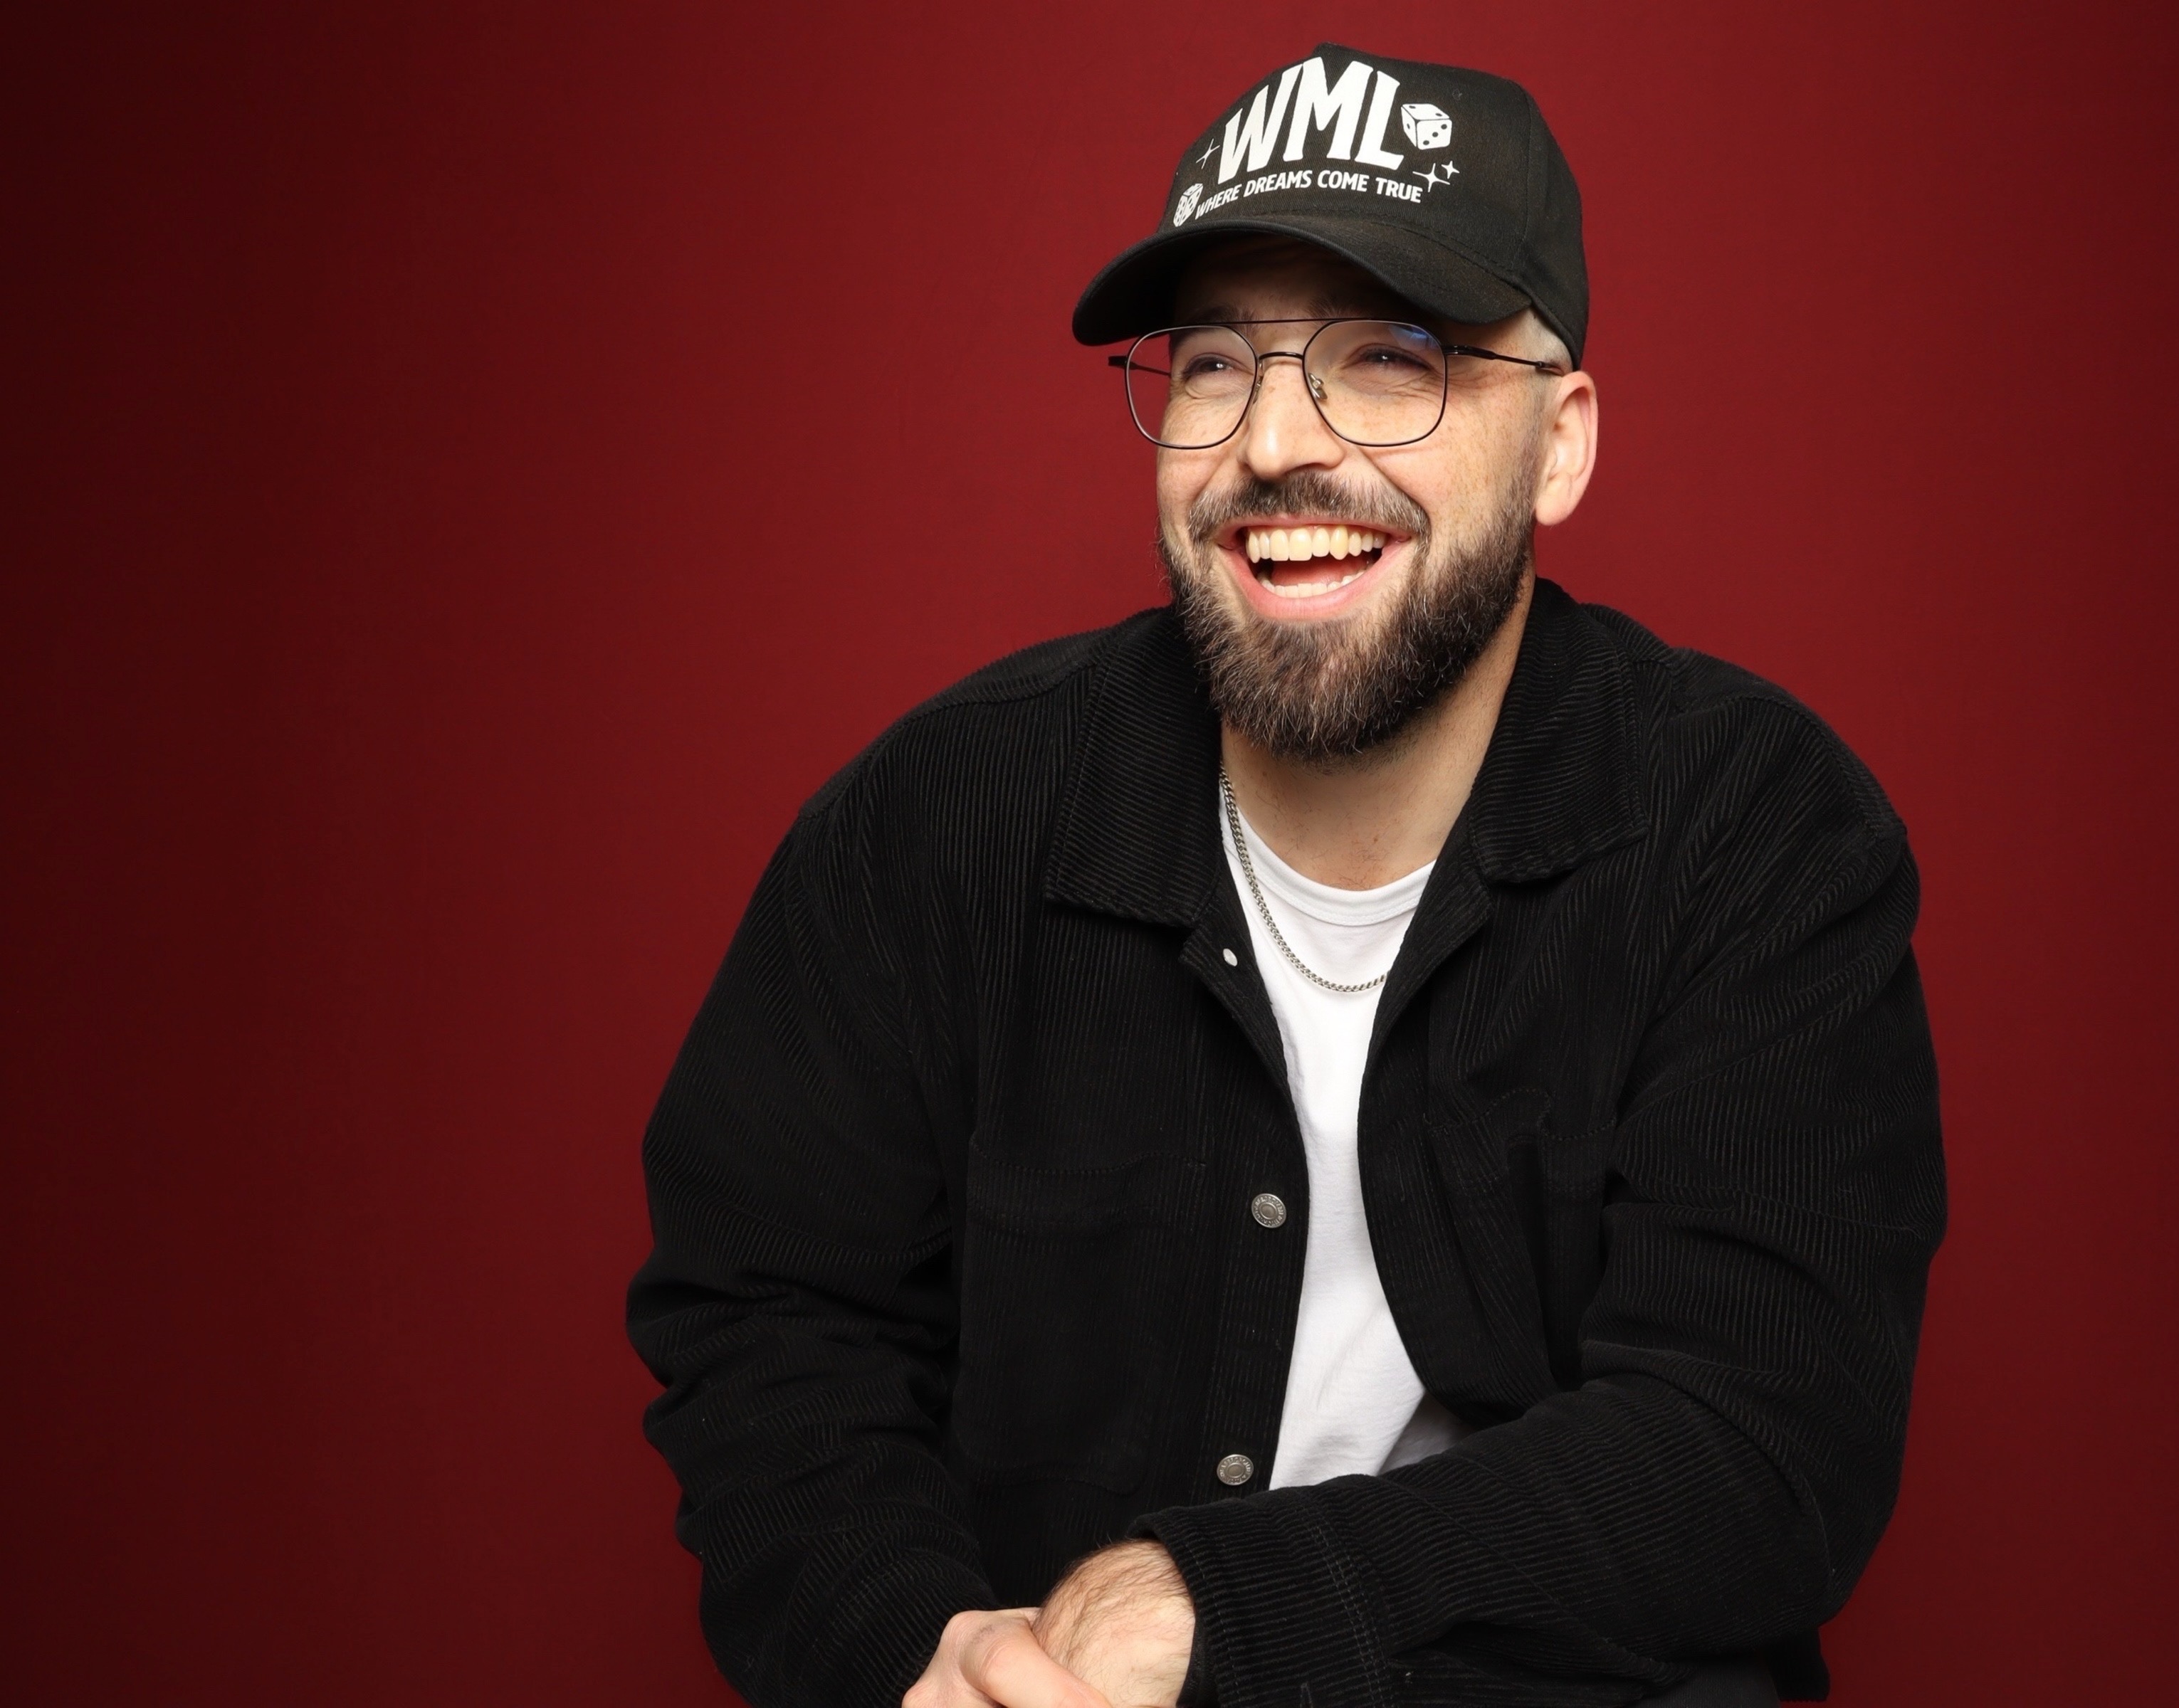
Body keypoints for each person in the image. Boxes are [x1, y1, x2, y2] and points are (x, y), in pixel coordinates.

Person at [628, 43, 1943, 1708]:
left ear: (1561, 446)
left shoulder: (1755, 833)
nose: (1273, 447)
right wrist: (918, 1647)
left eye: (1387, 361)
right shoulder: (940, 819)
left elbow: (1760, 1443)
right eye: (1214, 366)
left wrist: (1221, 1606)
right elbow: (768, 1323)